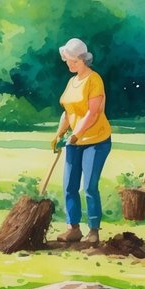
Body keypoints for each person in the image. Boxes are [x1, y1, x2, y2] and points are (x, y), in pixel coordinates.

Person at [52, 38, 113, 245]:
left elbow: (92, 113)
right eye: (67, 60)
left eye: (72, 61)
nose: (69, 64)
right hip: (74, 141)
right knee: (69, 185)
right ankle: (73, 228)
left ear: (83, 59)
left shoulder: (94, 79)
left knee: (89, 186)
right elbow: (68, 112)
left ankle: (94, 230)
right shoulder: (72, 82)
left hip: (96, 140)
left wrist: (75, 135)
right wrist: (59, 134)